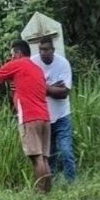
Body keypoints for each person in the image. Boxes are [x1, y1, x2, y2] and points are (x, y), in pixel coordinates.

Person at [0, 40, 53, 192]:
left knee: (36, 158)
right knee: (44, 158)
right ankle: (48, 193)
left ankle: (41, 195)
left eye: (12, 55)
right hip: (45, 117)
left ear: (18, 54)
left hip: (29, 117)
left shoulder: (18, 64)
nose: (11, 58)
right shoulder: (37, 69)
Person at [33, 36, 77, 183]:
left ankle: (72, 183)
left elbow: (64, 93)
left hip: (62, 115)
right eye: (40, 49)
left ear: (53, 50)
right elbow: (30, 88)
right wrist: (52, 88)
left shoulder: (63, 64)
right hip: (44, 117)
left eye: (45, 49)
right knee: (49, 154)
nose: (42, 52)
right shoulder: (33, 62)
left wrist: (42, 87)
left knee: (66, 151)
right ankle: (53, 183)